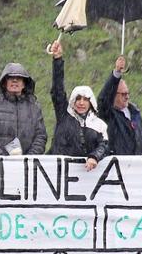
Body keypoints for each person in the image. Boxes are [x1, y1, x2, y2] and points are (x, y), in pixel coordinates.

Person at [46, 40, 108, 170]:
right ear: (73, 101)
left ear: (91, 103)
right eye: (78, 98)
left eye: (85, 99)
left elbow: (104, 145)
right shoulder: (64, 115)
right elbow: (57, 90)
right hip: (56, 172)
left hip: (84, 176)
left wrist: (94, 157)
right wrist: (57, 60)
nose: (81, 102)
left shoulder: (99, 125)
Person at [0, 62, 46, 155]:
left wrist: (29, 158)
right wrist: (2, 157)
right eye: (10, 78)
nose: (15, 81)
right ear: (4, 83)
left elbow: (40, 137)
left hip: (27, 162)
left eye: (19, 78)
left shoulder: (35, 108)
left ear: (24, 84)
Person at [96, 55, 142, 156]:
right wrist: (116, 73)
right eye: (123, 94)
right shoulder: (108, 114)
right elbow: (103, 98)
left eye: (127, 93)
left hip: (139, 163)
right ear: (113, 95)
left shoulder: (134, 112)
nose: (127, 97)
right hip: (119, 164)